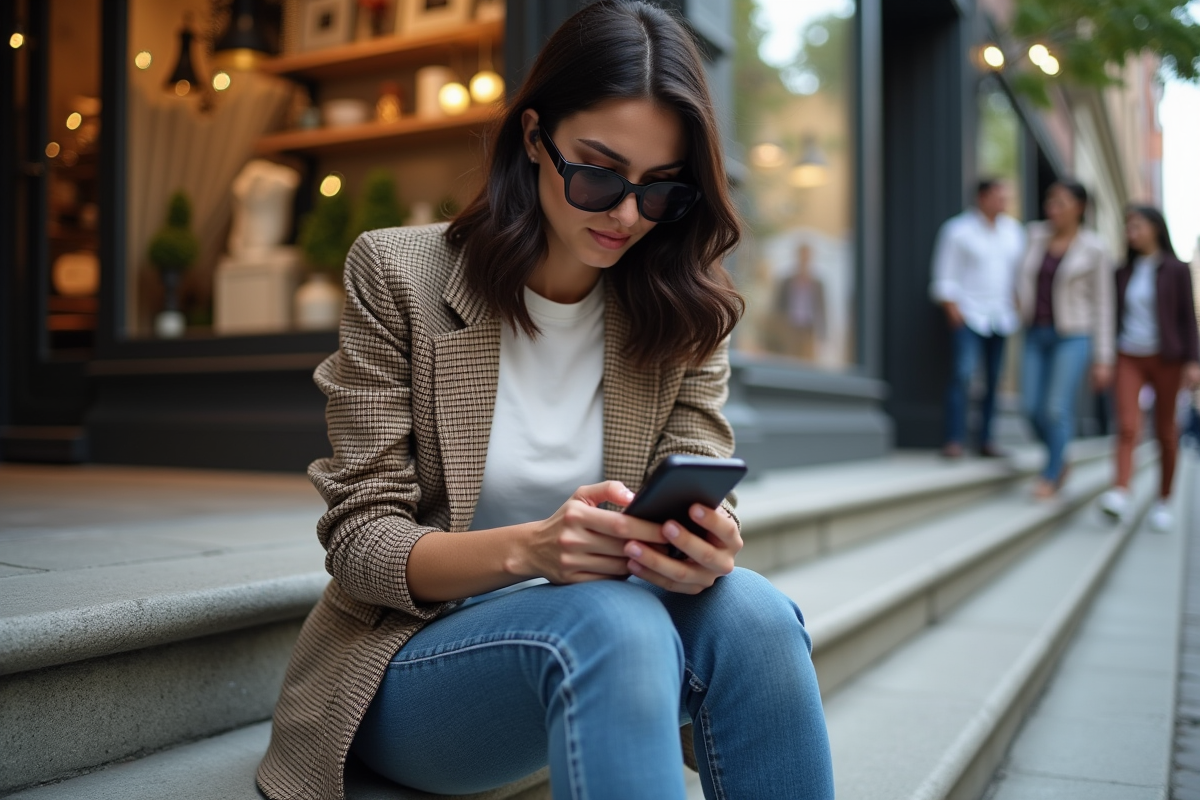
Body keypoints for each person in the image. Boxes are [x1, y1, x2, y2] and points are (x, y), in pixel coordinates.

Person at [255, 4, 834, 800]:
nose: (627, 215)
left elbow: (697, 479)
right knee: (613, 621)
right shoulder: (398, 277)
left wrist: (709, 543)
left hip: (610, 667)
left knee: (759, 617)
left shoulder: (687, 313)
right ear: (533, 138)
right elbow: (361, 542)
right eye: (598, 174)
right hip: (414, 669)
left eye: (662, 190)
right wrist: (531, 552)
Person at [1098, 206, 1200, 530]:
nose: (1131, 232)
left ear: (1155, 228)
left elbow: (1188, 319)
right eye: (1128, 227)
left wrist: (1194, 361)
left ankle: (1163, 500)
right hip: (1129, 355)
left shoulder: (1176, 270)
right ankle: (1121, 492)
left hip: (1167, 357)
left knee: (1165, 432)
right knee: (1128, 425)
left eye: (1137, 226)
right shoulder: (1122, 271)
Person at [1015, 180, 1115, 499]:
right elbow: (1018, 276)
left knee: (1056, 408)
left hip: (1074, 335)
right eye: (1050, 201)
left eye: (1060, 202)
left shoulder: (1095, 248)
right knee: (1030, 407)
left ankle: (1051, 473)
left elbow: (1104, 304)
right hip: (1035, 332)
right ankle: (1061, 456)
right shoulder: (1034, 236)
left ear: (1079, 207)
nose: (1052, 208)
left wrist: (1103, 357)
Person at [930, 179, 1026, 459]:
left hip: (1002, 317)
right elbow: (944, 275)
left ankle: (986, 440)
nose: (1004, 202)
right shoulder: (958, 231)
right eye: (999, 196)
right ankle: (954, 440)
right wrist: (952, 309)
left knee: (993, 381)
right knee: (962, 375)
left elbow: (1019, 276)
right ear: (982, 198)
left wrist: (1018, 305)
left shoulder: (1013, 232)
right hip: (969, 314)